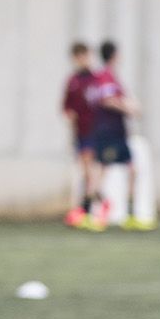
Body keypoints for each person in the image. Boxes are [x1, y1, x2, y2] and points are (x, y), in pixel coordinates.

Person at [90, 40, 153, 232]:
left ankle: (130, 213)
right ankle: (99, 211)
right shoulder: (106, 77)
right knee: (102, 170)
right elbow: (107, 100)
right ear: (114, 55)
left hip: (116, 132)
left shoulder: (111, 77)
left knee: (130, 170)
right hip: (109, 132)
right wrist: (129, 108)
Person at [61, 42, 104, 230]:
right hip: (81, 131)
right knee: (87, 170)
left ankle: (89, 208)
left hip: (96, 130)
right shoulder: (73, 81)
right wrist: (71, 119)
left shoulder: (96, 80)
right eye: (79, 57)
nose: (83, 60)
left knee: (92, 169)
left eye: (85, 56)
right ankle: (95, 202)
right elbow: (67, 107)